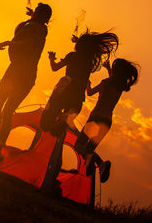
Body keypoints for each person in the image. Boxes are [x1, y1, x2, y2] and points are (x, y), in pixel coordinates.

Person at [38, 29, 118, 191]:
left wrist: (51, 58)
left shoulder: (73, 56)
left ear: (80, 46)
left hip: (63, 92)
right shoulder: (88, 62)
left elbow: (54, 68)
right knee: (61, 133)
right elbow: (84, 53)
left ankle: (60, 122)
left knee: (45, 124)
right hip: (77, 101)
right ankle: (63, 122)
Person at [0, 3, 53, 163]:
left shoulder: (33, 27)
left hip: (17, 72)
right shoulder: (40, 29)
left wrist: (8, 43)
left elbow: (28, 44)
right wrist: (32, 17)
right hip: (28, 75)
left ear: (38, 15)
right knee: (8, 112)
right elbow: (31, 37)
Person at [74, 58, 139, 182]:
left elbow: (90, 93)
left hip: (95, 118)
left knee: (79, 145)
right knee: (89, 149)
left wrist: (88, 84)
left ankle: (92, 159)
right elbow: (114, 79)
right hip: (107, 122)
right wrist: (109, 69)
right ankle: (102, 164)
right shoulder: (120, 87)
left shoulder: (105, 83)